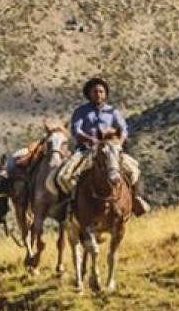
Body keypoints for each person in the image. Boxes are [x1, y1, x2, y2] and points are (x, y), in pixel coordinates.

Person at [54, 77, 150, 215]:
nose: (98, 94)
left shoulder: (113, 112)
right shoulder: (81, 111)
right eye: (95, 92)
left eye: (101, 91)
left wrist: (119, 143)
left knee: (133, 169)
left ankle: (137, 199)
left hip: (111, 149)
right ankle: (69, 205)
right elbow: (76, 130)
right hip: (86, 150)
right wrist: (90, 139)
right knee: (64, 176)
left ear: (105, 94)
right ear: (89, 94)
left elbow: (123, 129)